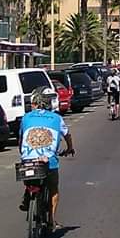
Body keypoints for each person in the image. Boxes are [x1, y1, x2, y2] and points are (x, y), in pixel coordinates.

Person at [18, 87, 75, 229]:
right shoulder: (57, 118)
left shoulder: (26, 118)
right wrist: (69, 148)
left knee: (29, 173)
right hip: (48, 161)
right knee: (53, 188)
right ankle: (51, 221)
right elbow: (67, 135)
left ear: (34, 104)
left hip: (28, 159)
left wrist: (23, 153)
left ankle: (27, 194)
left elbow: (21, 138)